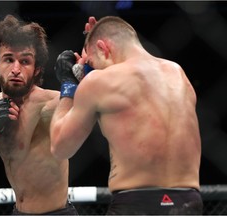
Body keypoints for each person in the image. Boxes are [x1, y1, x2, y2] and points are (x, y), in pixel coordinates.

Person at [50, 16, 203, 215]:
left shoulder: (99, 81)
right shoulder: (177, 73)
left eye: (92, 64)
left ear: (104, 49)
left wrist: (69, 85)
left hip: (137, 204)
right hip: (188, 203)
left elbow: (60, 147)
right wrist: (94, 43)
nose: (91, 70)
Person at [0, 14, 78, 215]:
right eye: (9, 59)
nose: (16, 69)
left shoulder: (51, 103)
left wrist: (78, 81)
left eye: (25, 61)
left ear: (37, 69)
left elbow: (94, 109)